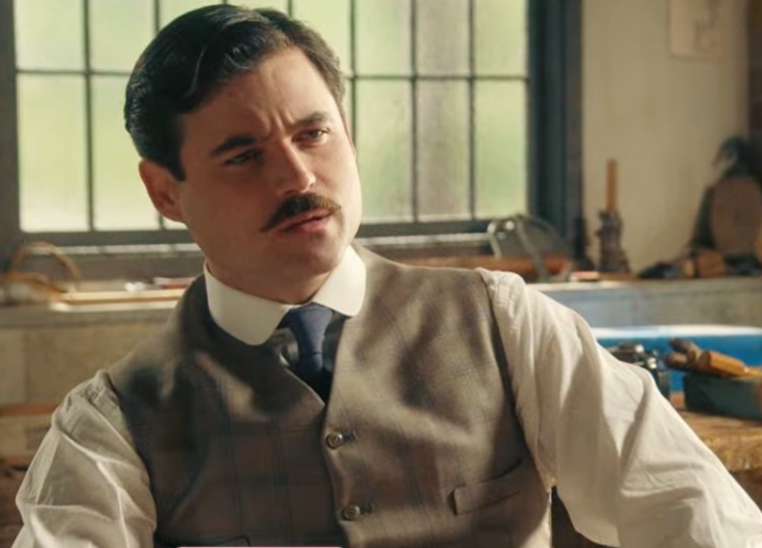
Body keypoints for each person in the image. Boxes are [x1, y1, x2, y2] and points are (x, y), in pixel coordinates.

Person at [11, 5, 762, 548]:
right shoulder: (112, 423)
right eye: (243, 157)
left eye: (314, 133)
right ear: (165, 192)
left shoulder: (504, 323)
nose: (298, 177)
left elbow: (693, 511)